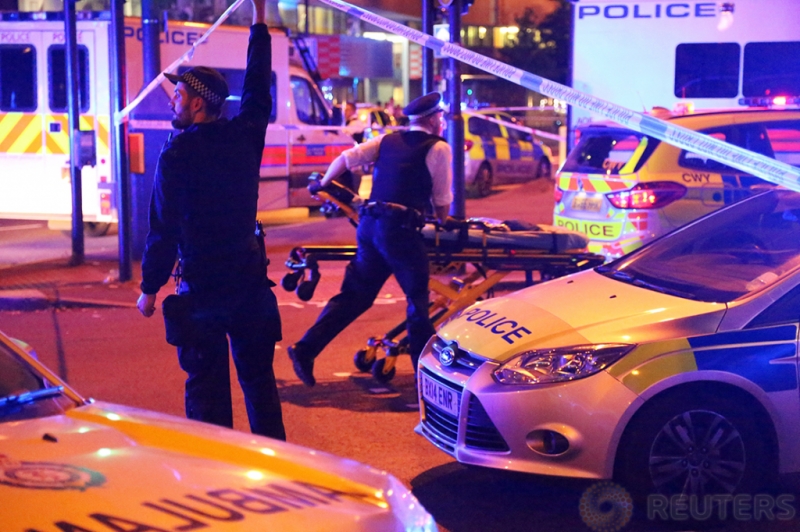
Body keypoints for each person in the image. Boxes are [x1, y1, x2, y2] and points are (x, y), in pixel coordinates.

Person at [136, 0, 285, 440]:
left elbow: (163, 229)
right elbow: (258, 88)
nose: (174, 101)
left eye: (179, 95)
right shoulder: (246, 137)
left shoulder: (177, 154)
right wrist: (259, 21)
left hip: (202, 290)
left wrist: (149, 288)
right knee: (259, 385)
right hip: (248, 285)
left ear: (198, 103)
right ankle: (280, 467)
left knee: (207, 392)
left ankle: (221, 473)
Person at [288, 92, 453, 387]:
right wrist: (443, 220)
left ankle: (305, 349)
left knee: (356, 296)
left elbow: (346, 157)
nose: (442, 122)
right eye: (439, 117)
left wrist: (324, 184)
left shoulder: (387, 141)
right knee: (417, 303)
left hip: (370, 226)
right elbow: (441, 199)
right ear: (431, 119)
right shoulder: (439, 148)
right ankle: (426, 383)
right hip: (399, 231)